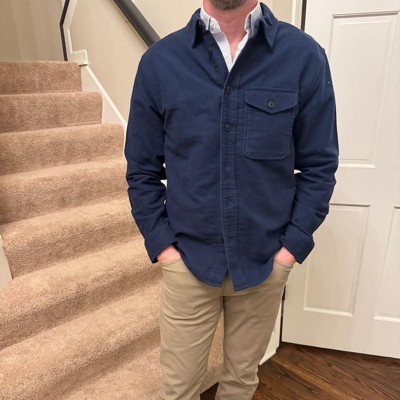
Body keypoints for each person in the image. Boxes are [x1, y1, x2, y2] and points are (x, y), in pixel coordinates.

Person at [124, 0, 339, 398]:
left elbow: (320, 167)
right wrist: (164, 248)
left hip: (265, 262)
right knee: (178, 390)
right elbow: (141, 171)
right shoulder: (160, 63)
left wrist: (290, 250)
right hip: (188, 262)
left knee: (241, 382)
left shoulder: (304, 57)